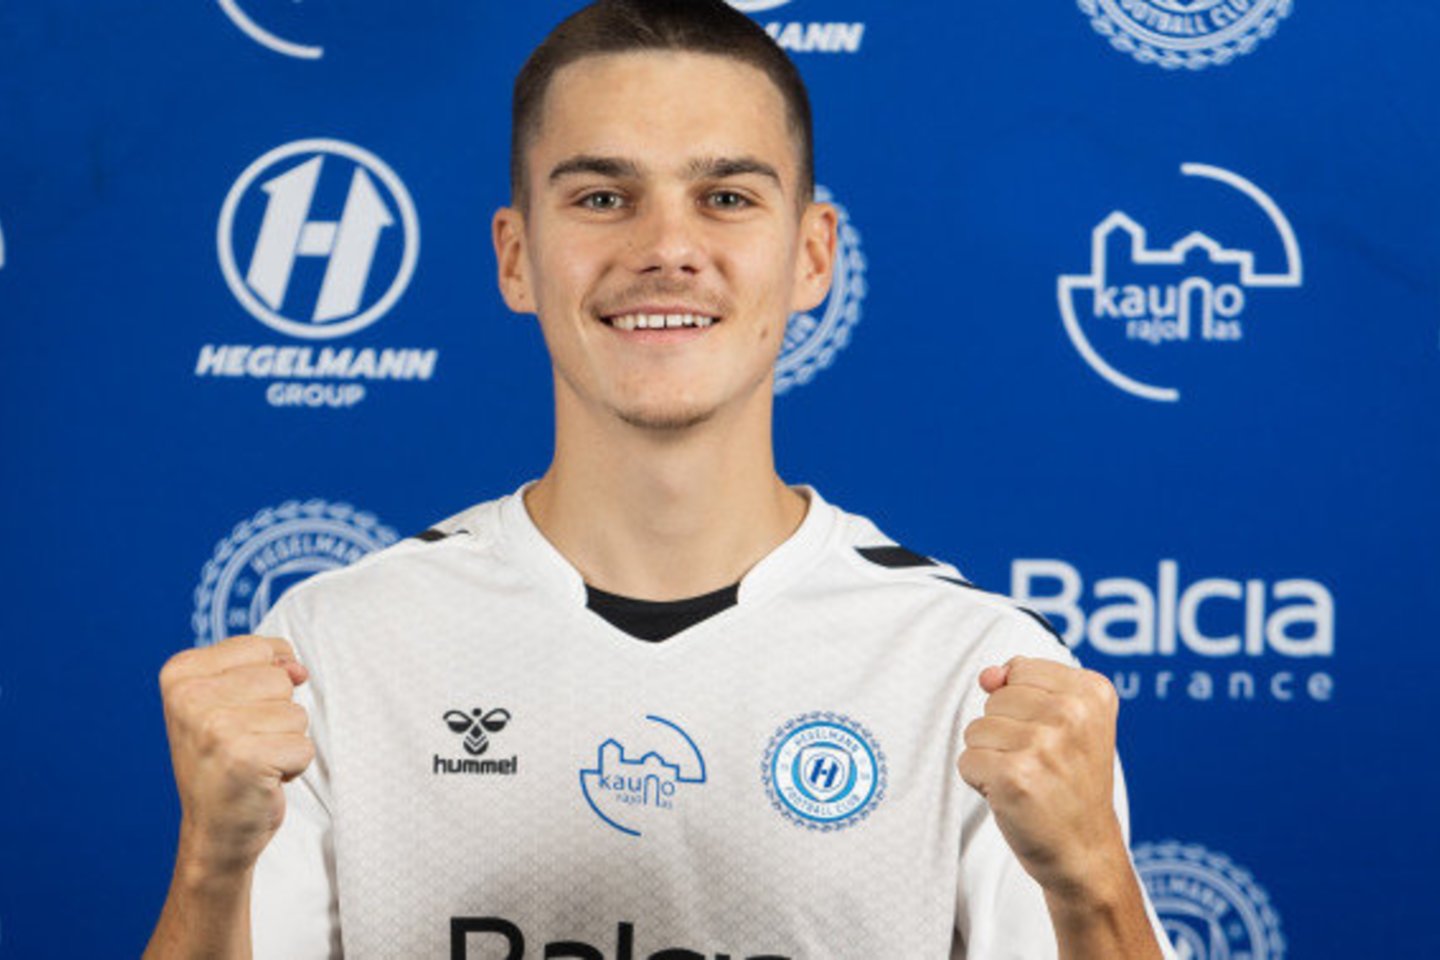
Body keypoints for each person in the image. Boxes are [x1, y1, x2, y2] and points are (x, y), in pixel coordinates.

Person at [145, 1, 1175, 957]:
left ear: (813, 256)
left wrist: (1092, 882)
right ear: (516, 256)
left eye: (726, 197)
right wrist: (210, 866)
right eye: (603, 197)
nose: (668, 248)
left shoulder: (972, 669)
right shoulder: (334, 651)